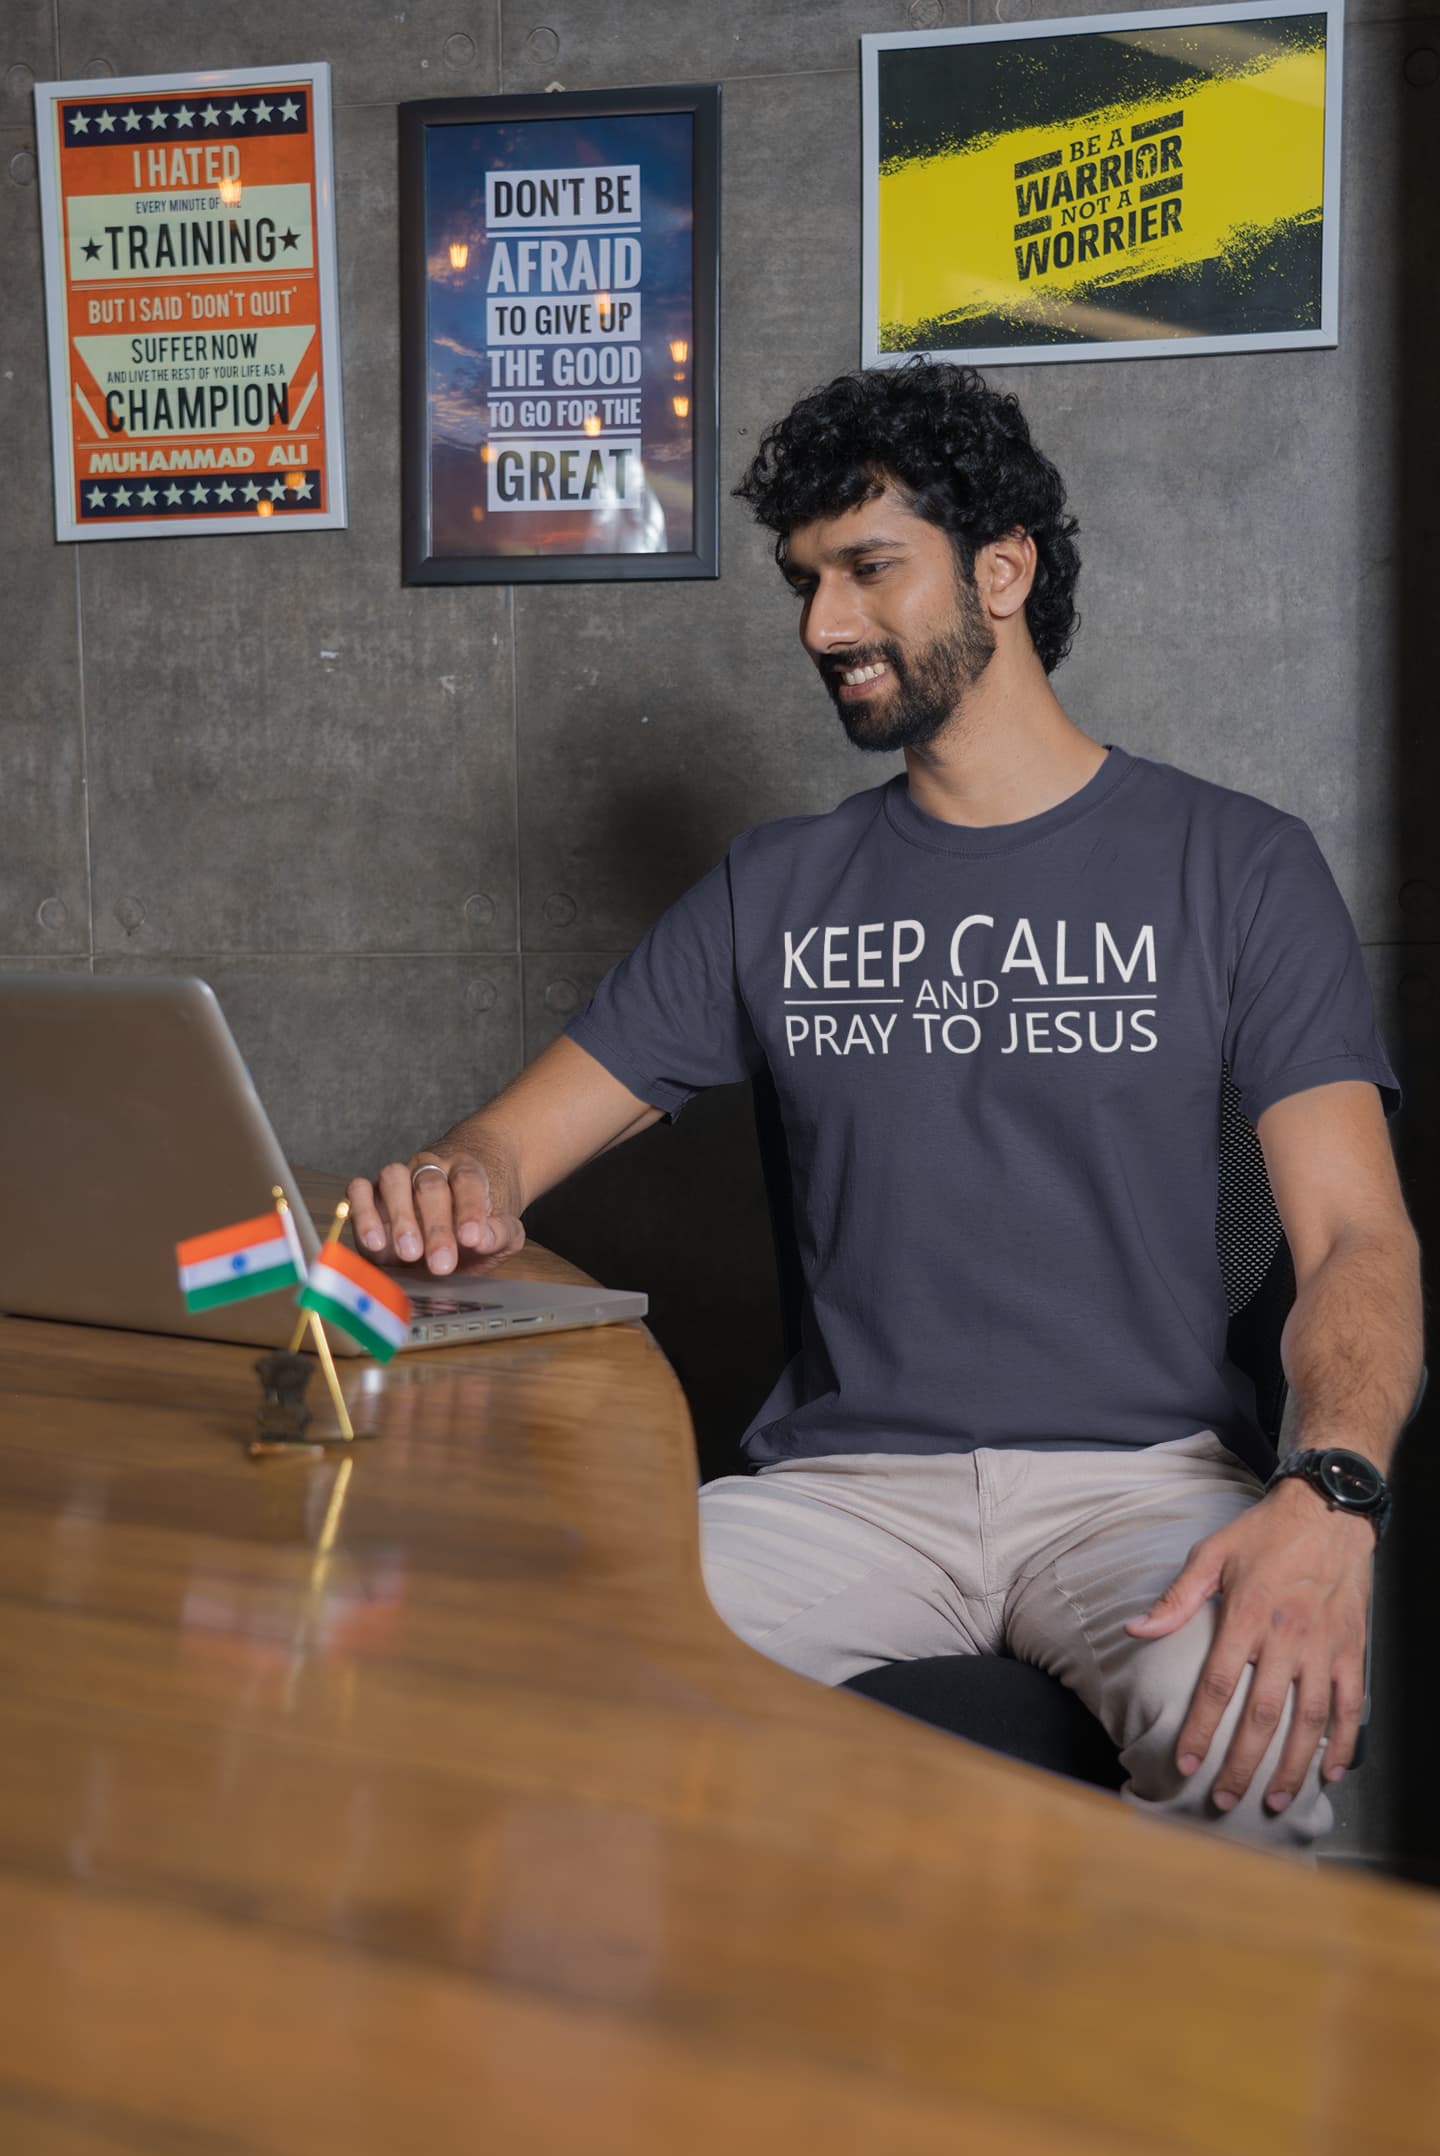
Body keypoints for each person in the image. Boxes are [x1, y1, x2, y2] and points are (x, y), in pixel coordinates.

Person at [349, 363, 1423, 1854]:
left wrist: (1334, 1492)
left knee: (1254, 1741)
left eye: (867, 571)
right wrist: (452, 1178)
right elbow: (501, 1148)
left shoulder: (1235, 866)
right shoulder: (778, 888)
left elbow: (1358, 1237)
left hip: (1142, 1486)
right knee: (529, 1676)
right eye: (805, 583)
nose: (822, 629)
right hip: (845, 1493)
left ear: (1003, 569)